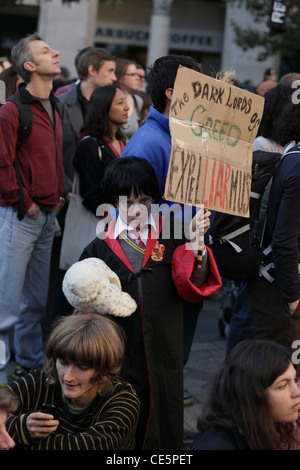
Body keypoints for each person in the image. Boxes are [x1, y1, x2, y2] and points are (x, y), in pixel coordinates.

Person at [80, 156, 222, 450]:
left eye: (144, 200)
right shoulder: (96, 249)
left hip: (165, 346)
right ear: (111, 202)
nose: (136, 210)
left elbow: (192, 287)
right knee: (120, 415)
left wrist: (197, 244)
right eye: (127, 202)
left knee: (165, 414)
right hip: (118, 350)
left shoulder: (173, 233)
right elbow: (83, 307)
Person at [120, 55, 205, 385]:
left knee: (174, 356)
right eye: (199, 87)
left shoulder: (185, 136)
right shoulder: (148, 142)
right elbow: (131, 218)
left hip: (184, 261)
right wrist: (185, 226)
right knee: (159, 358)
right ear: (173, 93)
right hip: (161, 268)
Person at [0, 33, 65, 384]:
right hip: (21, 216)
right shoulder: (12, 110)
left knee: (35, 303)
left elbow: (51, 159)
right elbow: (1, 166)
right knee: (5, 308)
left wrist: (59, 192)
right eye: (45, 51)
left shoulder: (55, 106)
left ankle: (27, 364)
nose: (55, 53)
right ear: (29, 66)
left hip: (45, 216)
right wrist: (26, 204)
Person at [4, 313, 140, 450]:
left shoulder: (123, 402)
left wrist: (17, 438)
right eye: (63, 363)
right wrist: (23, 427)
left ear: (103, 367)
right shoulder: (39, 381)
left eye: (83, 367)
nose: (68, 377)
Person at [246, 97, 300, 349]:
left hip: (277, 284)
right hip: (278, 288)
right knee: (276, 376)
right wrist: (292, 296)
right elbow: (284, 240)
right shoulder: (298, 165)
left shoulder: (293, 155)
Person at [191, 339, 300, 450]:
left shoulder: (267, 426)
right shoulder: (214, 446)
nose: (297, 392)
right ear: (250, 394)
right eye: (282, 386)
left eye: (295, 380)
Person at [57, 47, 117, 196]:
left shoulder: (112, 106)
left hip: (100, 195)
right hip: (68, 194)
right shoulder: (61, 104)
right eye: (110, 71)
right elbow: (51, 152)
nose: (114, 77)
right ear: (92, 70)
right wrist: (66, 190)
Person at [73, 85, 129, 216]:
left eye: (126, 101)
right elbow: (90, 195)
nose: (127, 107)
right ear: (104, 107)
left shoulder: (123, 141)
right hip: (103, 223)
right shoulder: (90, 144)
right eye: (120, 103)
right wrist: (116, 217)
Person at [115, 58, 143, 140]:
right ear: (120, 77)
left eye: (138, 75)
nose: (138, 78)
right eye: (133, 74)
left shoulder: (138, 100)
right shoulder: (108, 99)